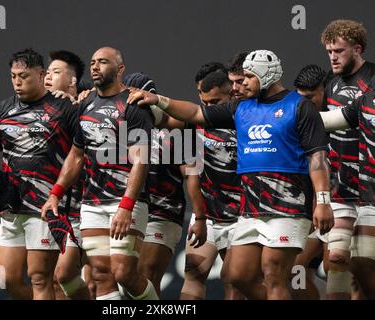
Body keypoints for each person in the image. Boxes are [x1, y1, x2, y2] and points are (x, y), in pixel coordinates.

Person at [127, 49, 334, 300]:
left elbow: (318, 158)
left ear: (267, 75)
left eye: (248, 76)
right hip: (250, 211)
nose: (242, 82)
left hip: (287, 206)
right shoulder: (240, 109)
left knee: (273, 273)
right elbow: (194, 113)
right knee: (238, 276)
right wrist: (158, 99)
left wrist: (322, 202)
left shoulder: (299, 107)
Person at [41, 47, 158, 300]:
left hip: (126, 201)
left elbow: (141, 160)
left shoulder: (133, 105)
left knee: (123, 273)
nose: (95, 67)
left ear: (120, 69)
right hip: (92, 203)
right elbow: (76, 155)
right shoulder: (86, 103)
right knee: (101, 274)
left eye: (103, 62)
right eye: (93, 62)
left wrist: (126, 206)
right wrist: (55, 194)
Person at [0, 48, 78, 300]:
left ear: (42, 74)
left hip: (45, 208)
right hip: (11, 207)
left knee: (41, 278)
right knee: (7, 278)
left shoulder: (63, 108)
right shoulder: (4, 109)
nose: (17, 82)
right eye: (13, 76)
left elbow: (79, 155)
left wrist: (58, 194)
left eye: (24, 76)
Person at [123, 72, 207, 297]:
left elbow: (190, 174)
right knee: (124, 276)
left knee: (147, 273)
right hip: (131, 209)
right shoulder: (122, 126)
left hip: (164, 212)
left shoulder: (175, 129)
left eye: (134, 95)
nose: (129, 101)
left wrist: (199, 216)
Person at [321, 19, 375, 299]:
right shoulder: (330, 84)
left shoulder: (372, 81)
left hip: (369, 187)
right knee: (338, 258)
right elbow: (328, 123)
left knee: (363, 263)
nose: (333, 57)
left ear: (357, 49)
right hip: (342, 186)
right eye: (329, 51)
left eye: (338, 51)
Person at [181, 71, 244, 300]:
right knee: (193, 272)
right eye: (205, 103)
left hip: (241, 216)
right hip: (206, 213)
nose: (209, 109)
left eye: (215, 102)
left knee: (234, 279)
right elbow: (191, 174)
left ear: (232, 94)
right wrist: (199, 217)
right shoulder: (196, 122)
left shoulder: (247, 119)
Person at [44, 50, 92, 300]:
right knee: (52, 279)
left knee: (66, 274)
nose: (48, 77)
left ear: (72, 81)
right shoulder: (40, 110)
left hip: (85, 207)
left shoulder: (86, 107)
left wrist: (73, 106)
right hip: (51, 206)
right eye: (47, 72)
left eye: (55, 72)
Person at [292, 64, 329, 299]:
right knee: (295, 271)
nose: (304, 103)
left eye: (309, 97)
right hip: (311, 211)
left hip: (347, 204)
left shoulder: (349, 114)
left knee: (338, 268)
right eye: (300, 97)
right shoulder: (297, 118)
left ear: (324, 90)